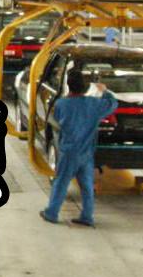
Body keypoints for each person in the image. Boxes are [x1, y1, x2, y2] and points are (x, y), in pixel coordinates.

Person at [41, 70, 118, 227]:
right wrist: (104, 91)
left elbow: (56, 118)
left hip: (69, 151)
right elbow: (112, 104)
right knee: (87, 186)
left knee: (61, 182)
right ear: (85, 87)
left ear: (68, 86)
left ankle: (52, 212)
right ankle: (87, 216)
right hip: (86, 152)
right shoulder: (93, 104)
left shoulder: (61, 104)